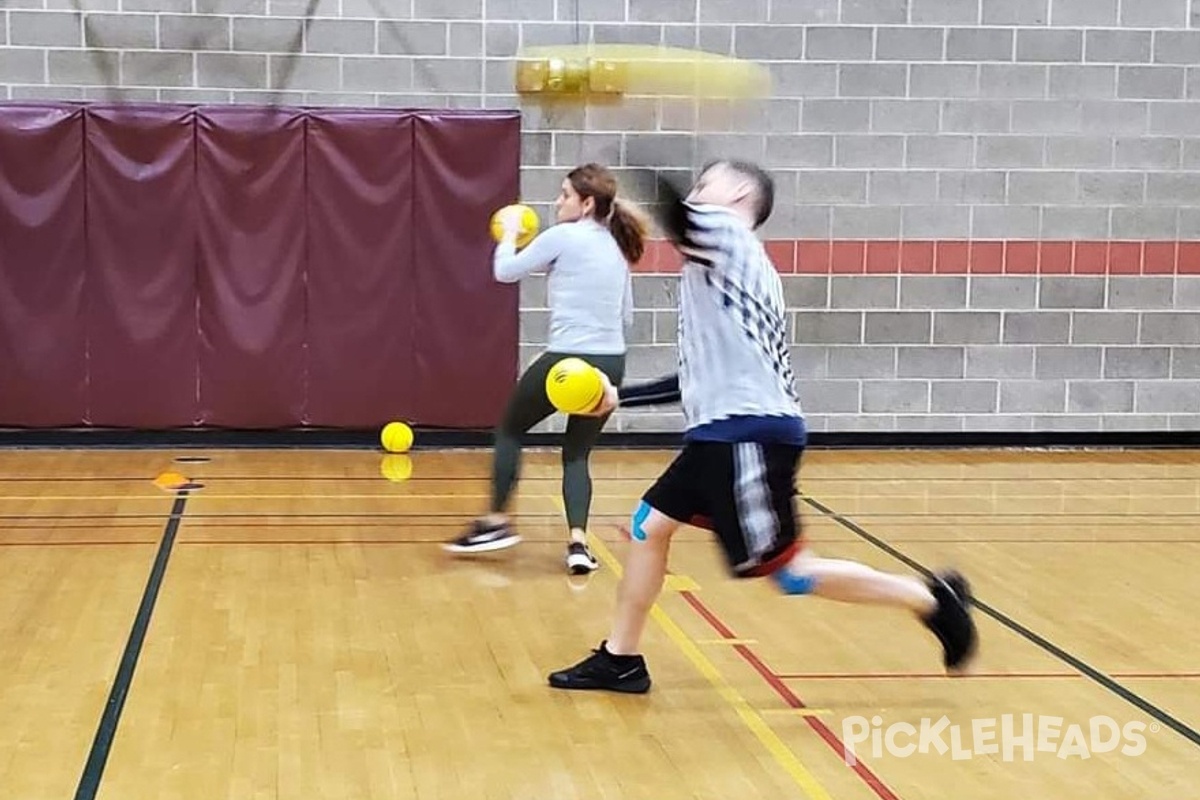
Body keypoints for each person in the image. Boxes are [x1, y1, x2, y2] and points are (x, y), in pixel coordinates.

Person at [547, 160, 978, 693]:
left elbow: (677, 212)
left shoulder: (728, 235)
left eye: (709, 184)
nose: (699, 191)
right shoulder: (725, 268)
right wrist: (619, 397)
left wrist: (639, 154)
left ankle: (933, 601)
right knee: (649, 525)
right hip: (720, 434)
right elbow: (696, 376)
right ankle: (621, 658)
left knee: (790, 573)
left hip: (746, 435)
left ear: (741, 197)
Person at [444, 163, 648, 576]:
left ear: (586, 203)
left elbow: (504, 272)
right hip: (611, 361)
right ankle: (578, 544)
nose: (557, 202)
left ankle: (496, 522)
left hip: (568, 359)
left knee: (510, 430)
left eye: (564, 195)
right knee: (577, 454)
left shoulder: (562, 236)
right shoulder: (617, 245)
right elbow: (627, 314)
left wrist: (511, 231)